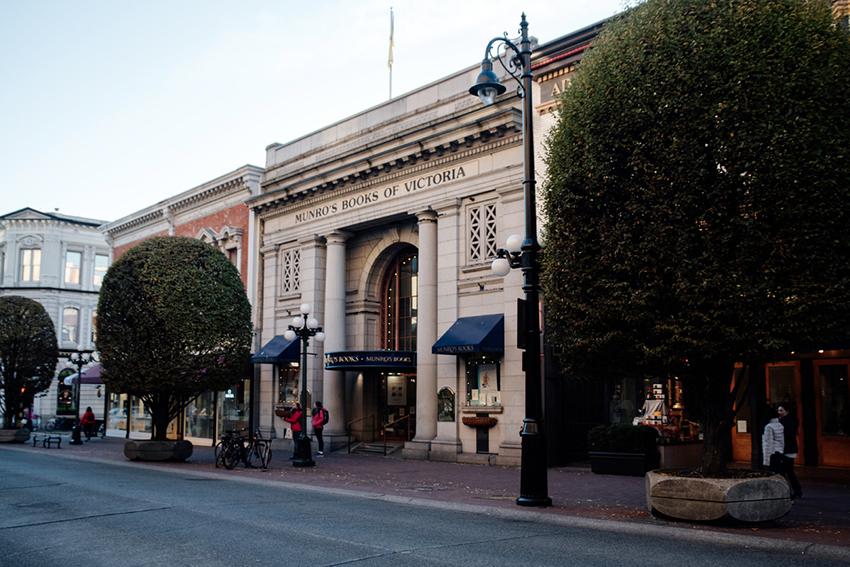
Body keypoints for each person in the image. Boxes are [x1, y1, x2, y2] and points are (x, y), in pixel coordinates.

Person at [778, 405, 803, 499]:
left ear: (787, 411)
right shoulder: (791, 420)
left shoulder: (784, 421)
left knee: (786, 471)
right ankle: (796, 490)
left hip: (786, 450)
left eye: (781, 410)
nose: (779, 412)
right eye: (779, 410)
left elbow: (786, 436)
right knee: (789, 471)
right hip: (790, 449)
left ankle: (792, 491)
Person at [762, 406, 785, 474]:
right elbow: (782, 441)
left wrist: (766, 461)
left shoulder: (769, 427)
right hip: (779, 453)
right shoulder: (780, 425)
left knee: (772, 475)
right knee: (779, 474)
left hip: (772, 454)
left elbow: (768, 444)